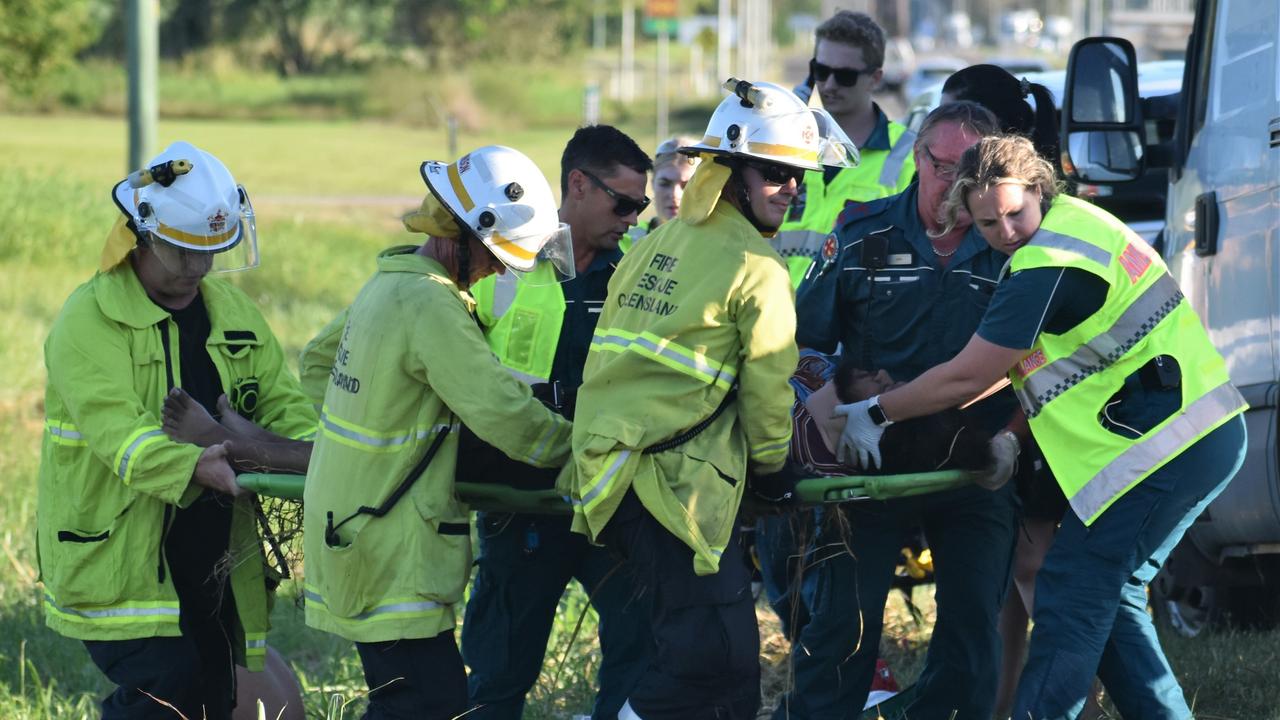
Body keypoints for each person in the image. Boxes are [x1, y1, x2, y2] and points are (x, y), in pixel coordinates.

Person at [840, 133, 1249, 720]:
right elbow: (1007, 369)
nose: (1004, 232)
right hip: (1186, 435)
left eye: (1013, 213)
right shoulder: (1076, 225)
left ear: (1038, 189)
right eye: (986, 224)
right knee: (1112, 599)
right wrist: (1008, 436)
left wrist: (878, 412)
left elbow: (967, 376)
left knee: (1071, 590)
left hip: (1168, 447)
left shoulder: (1043, 265)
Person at [563, 78, 857, 720]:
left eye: (799, 176)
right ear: (732, 171)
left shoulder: (661, 242)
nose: (792, 188)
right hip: (668, 489)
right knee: (710, 659)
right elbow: (767, 391)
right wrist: (778, 470)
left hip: (616, 475)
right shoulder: (758, 267)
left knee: (725, 680)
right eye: (777, 172)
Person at [37, 141, 318, 720]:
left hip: (215, 556)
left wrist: (314, 453)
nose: (197, 268)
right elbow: (122, 436)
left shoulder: (235, 316)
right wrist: (198, 463)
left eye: (212, 252)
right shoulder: (88, 321)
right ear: (141, 236)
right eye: (182, 252)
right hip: (121, 559)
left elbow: (287, 408)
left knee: (212, 696)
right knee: (165, 694)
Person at [301, 145, 577, 720]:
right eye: (497, 257)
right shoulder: (431, 304)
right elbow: (507, 416)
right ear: (462, 235)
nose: (499, 271)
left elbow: (315, 365)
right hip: (388, 539)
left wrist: (388, 415)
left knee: (414, 700)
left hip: (355, 524)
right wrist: (585, 451)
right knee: (430, 704)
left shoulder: (390, 284)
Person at [773, 101, 1020, 720]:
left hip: (974, 463)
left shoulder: (1012, 247)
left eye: (973, 173)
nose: (955, 186)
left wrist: (1011, 442)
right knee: (841, 632)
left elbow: (1039, 365)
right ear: (916, 156)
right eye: (943, 167)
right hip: (868, 463)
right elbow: (801, 344)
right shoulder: (863, 234)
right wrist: (834, 411)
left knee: (971, 640)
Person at [460, 125, 654, 720]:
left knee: (640, 658)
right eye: (624, 204)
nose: (633, 217)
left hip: (610, 501)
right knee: (499, 673)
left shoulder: (641, 275)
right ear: (577, 184)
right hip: (519, 502)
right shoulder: (506, 264)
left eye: (641, 206)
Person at [774, 10, 916, 287]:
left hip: (854, 324)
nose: (829, 85)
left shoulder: (910, 155)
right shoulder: (782, 142)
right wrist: (779, 121)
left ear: (875, 78)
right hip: (774, 320)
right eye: (821, 71)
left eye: (845, 76)